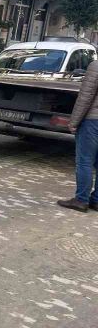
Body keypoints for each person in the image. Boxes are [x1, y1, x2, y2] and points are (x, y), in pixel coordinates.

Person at [58, 58, 98, 212]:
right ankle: (96, 200)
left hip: (92, 121)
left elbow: (85, 97)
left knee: (85, 161)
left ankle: (81, 200)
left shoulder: (95, 66)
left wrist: (73, 122)